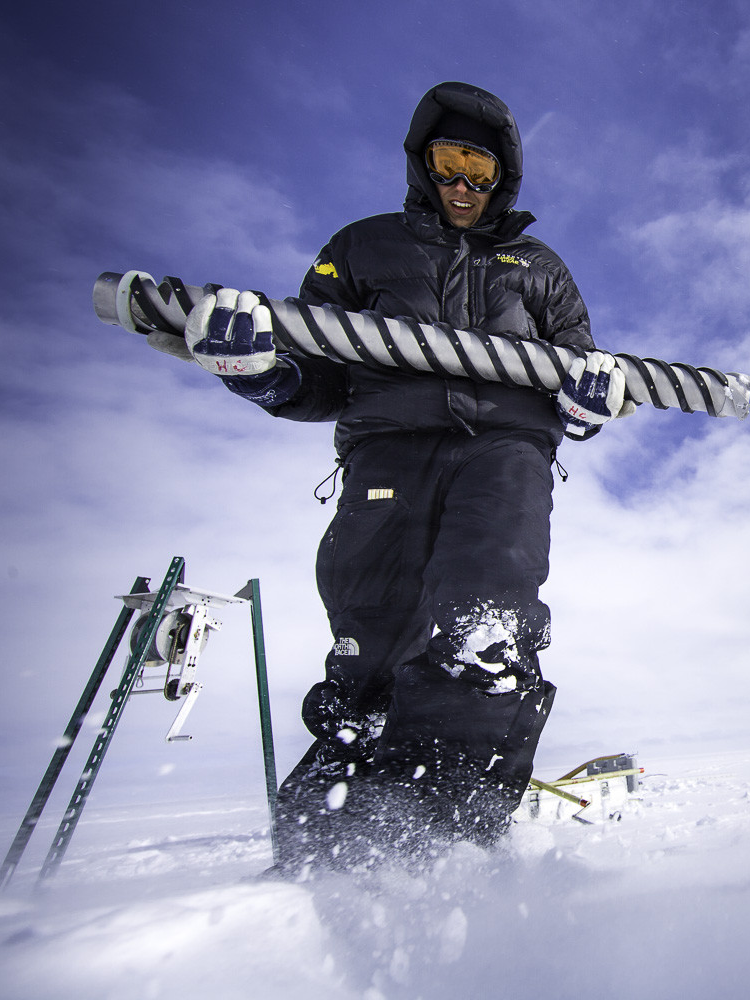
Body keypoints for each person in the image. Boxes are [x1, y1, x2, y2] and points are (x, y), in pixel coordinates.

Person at [174, 81, 630, 875]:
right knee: (372, 638)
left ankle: (446, 847)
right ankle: (327, 853)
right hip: (386, 455)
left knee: (483, 624)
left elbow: (579, 373)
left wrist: (589, 408)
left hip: (504, 457)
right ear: (422, 163)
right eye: (447, 163)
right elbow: (317, 377)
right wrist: (263, 375)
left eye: (478, 169)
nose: (462, 185)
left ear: (504, 177)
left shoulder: (541, 268)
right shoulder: (361, 247)